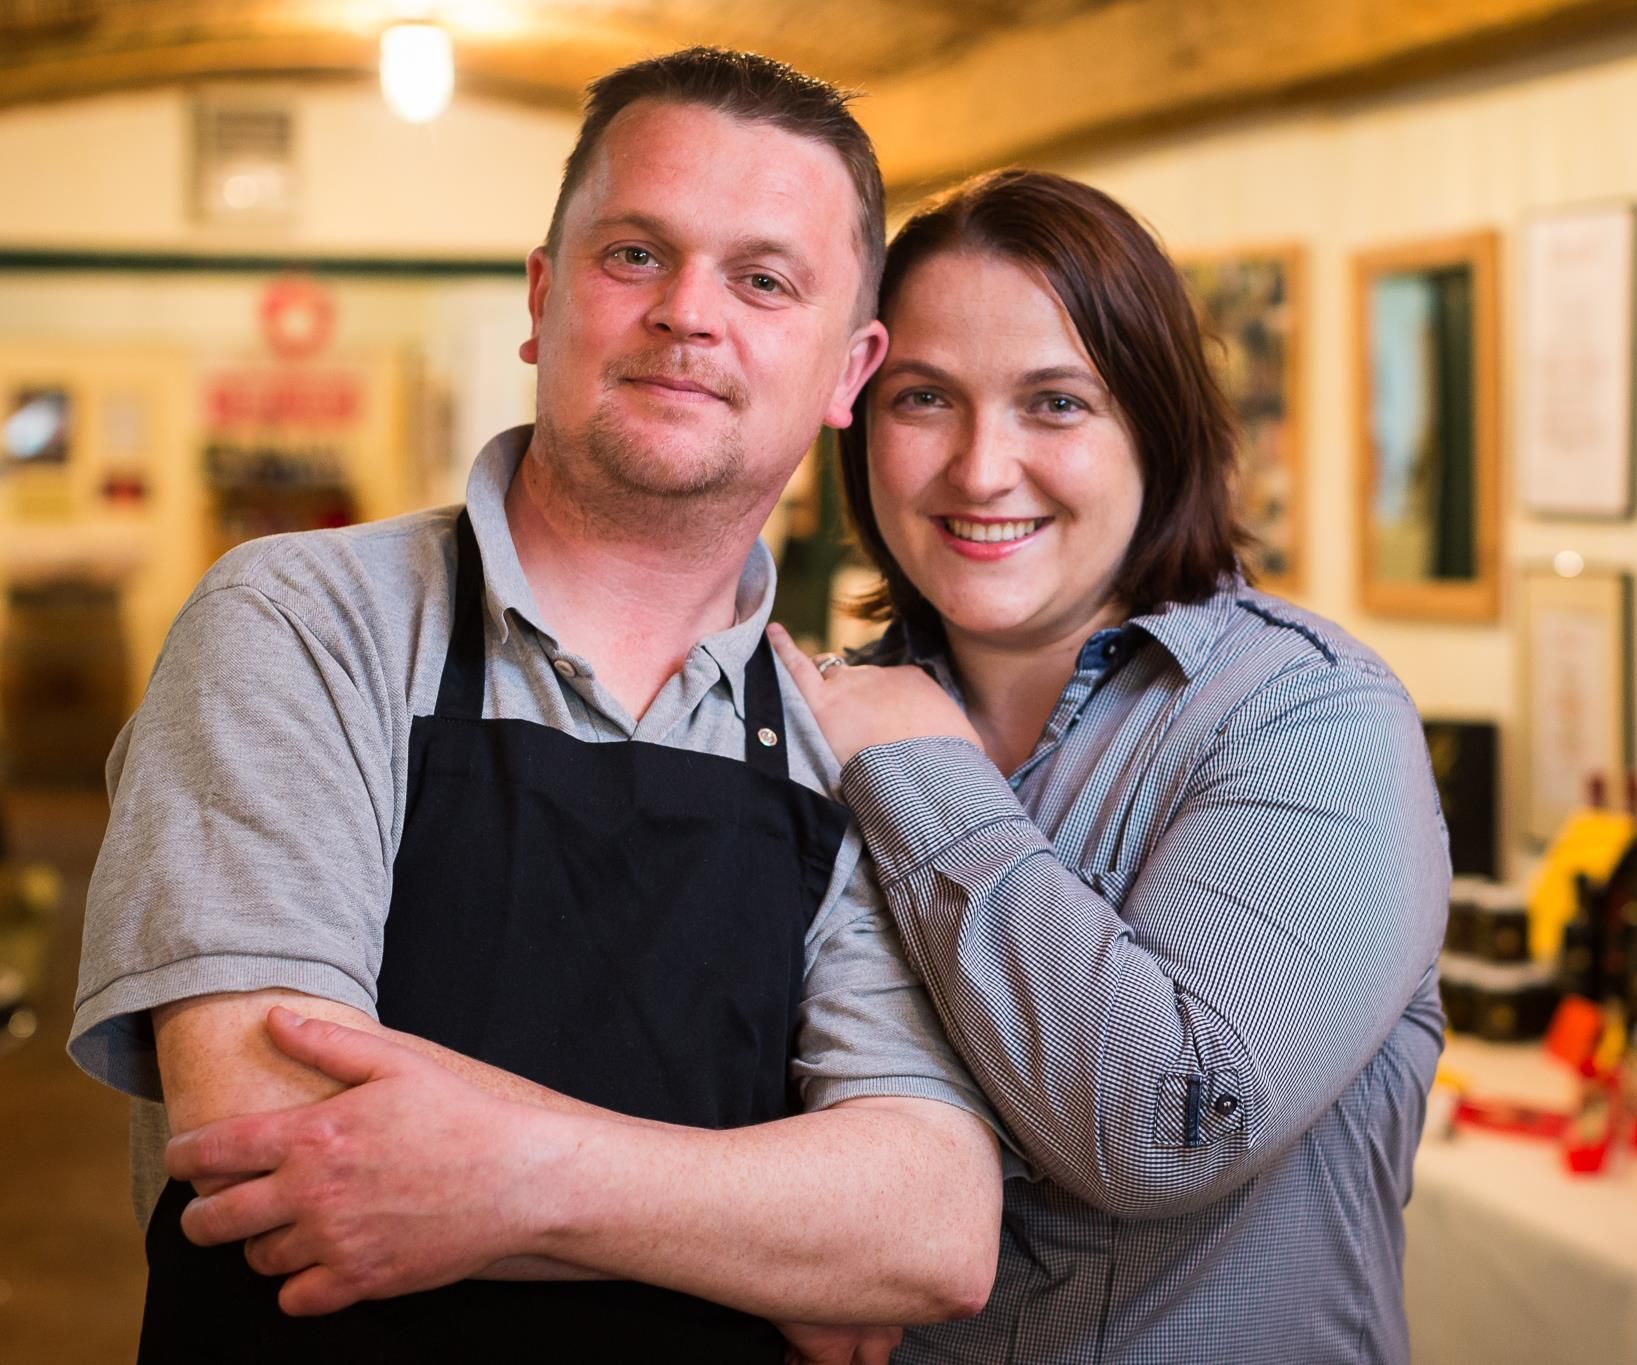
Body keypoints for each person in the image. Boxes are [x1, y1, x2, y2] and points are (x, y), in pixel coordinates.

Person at [67, 48, 1001, 1362]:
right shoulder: (303, 622)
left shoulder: (842, 733)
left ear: (850, 370)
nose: (688, 312)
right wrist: (768, 1228)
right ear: (545, 297)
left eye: (763, 279)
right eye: (636, 254)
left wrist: (506, 1174)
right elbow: (266, 1138)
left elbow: (930, 1229)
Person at [766, 168, 1450, 1362]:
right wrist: (776, 1250)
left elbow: (1166, 1131)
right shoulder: (810, 714)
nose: (980, 468)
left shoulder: (1305, 716)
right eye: (923, 398)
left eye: (1054, 403)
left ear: (1155, 427)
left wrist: (925, 773)